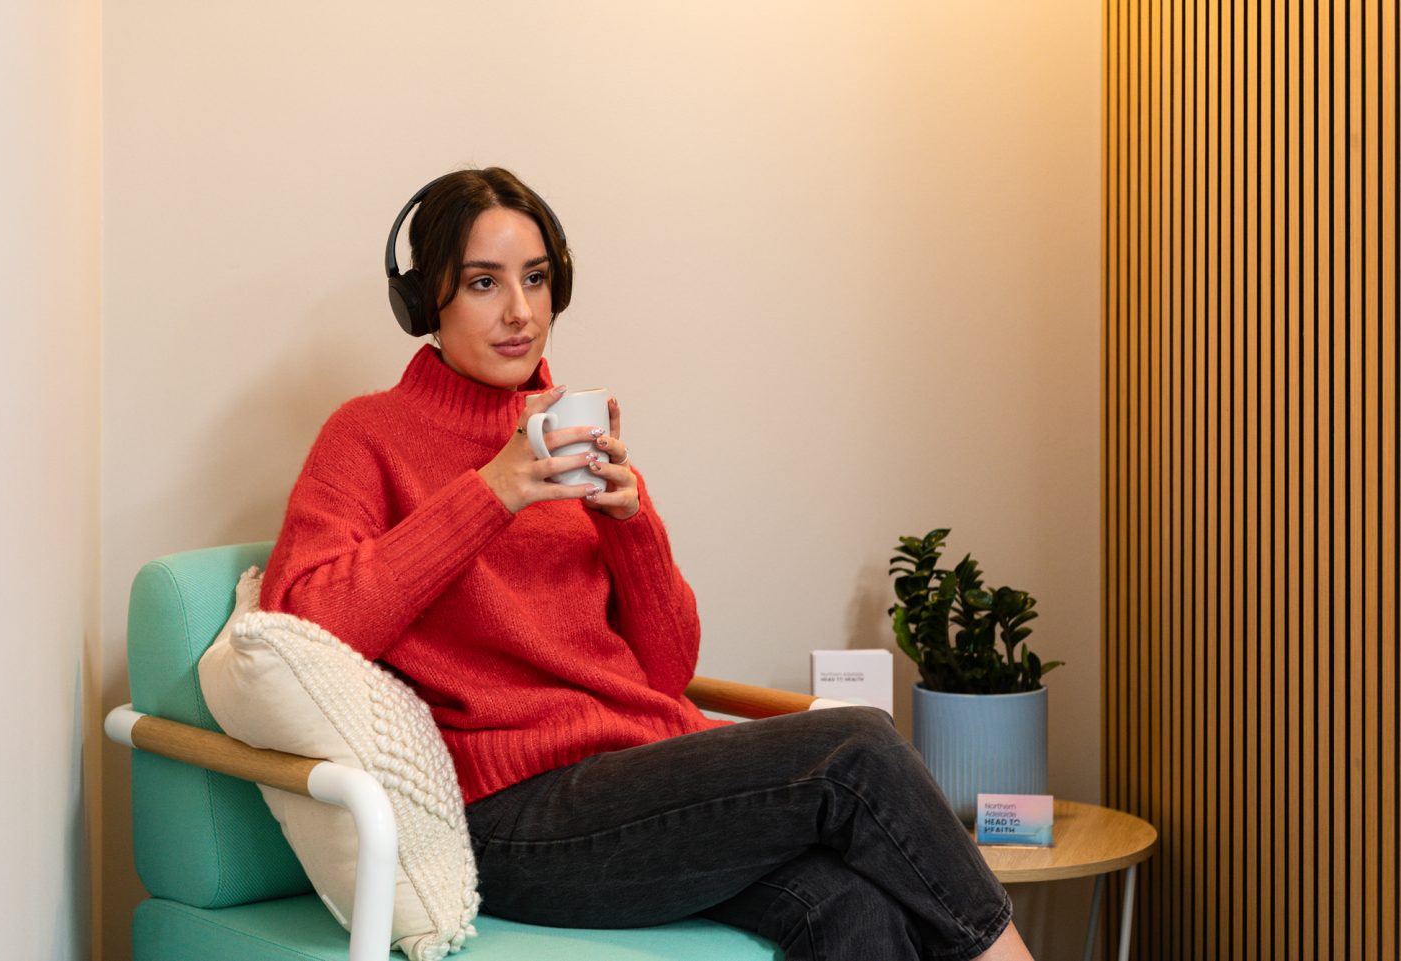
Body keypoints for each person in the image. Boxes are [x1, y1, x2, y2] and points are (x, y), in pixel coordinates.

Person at [261, 167, 1033, 961]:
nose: (520, 312)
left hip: (640, 783)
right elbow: (304, 618)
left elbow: (667, 670)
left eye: (535, 279)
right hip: (512, 817)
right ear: (426, 302)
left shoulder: (569, 437)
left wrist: (630, 524)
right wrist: (489, 493)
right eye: (483, 283)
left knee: (848, 907)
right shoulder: (368, 435)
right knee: (858, 747)